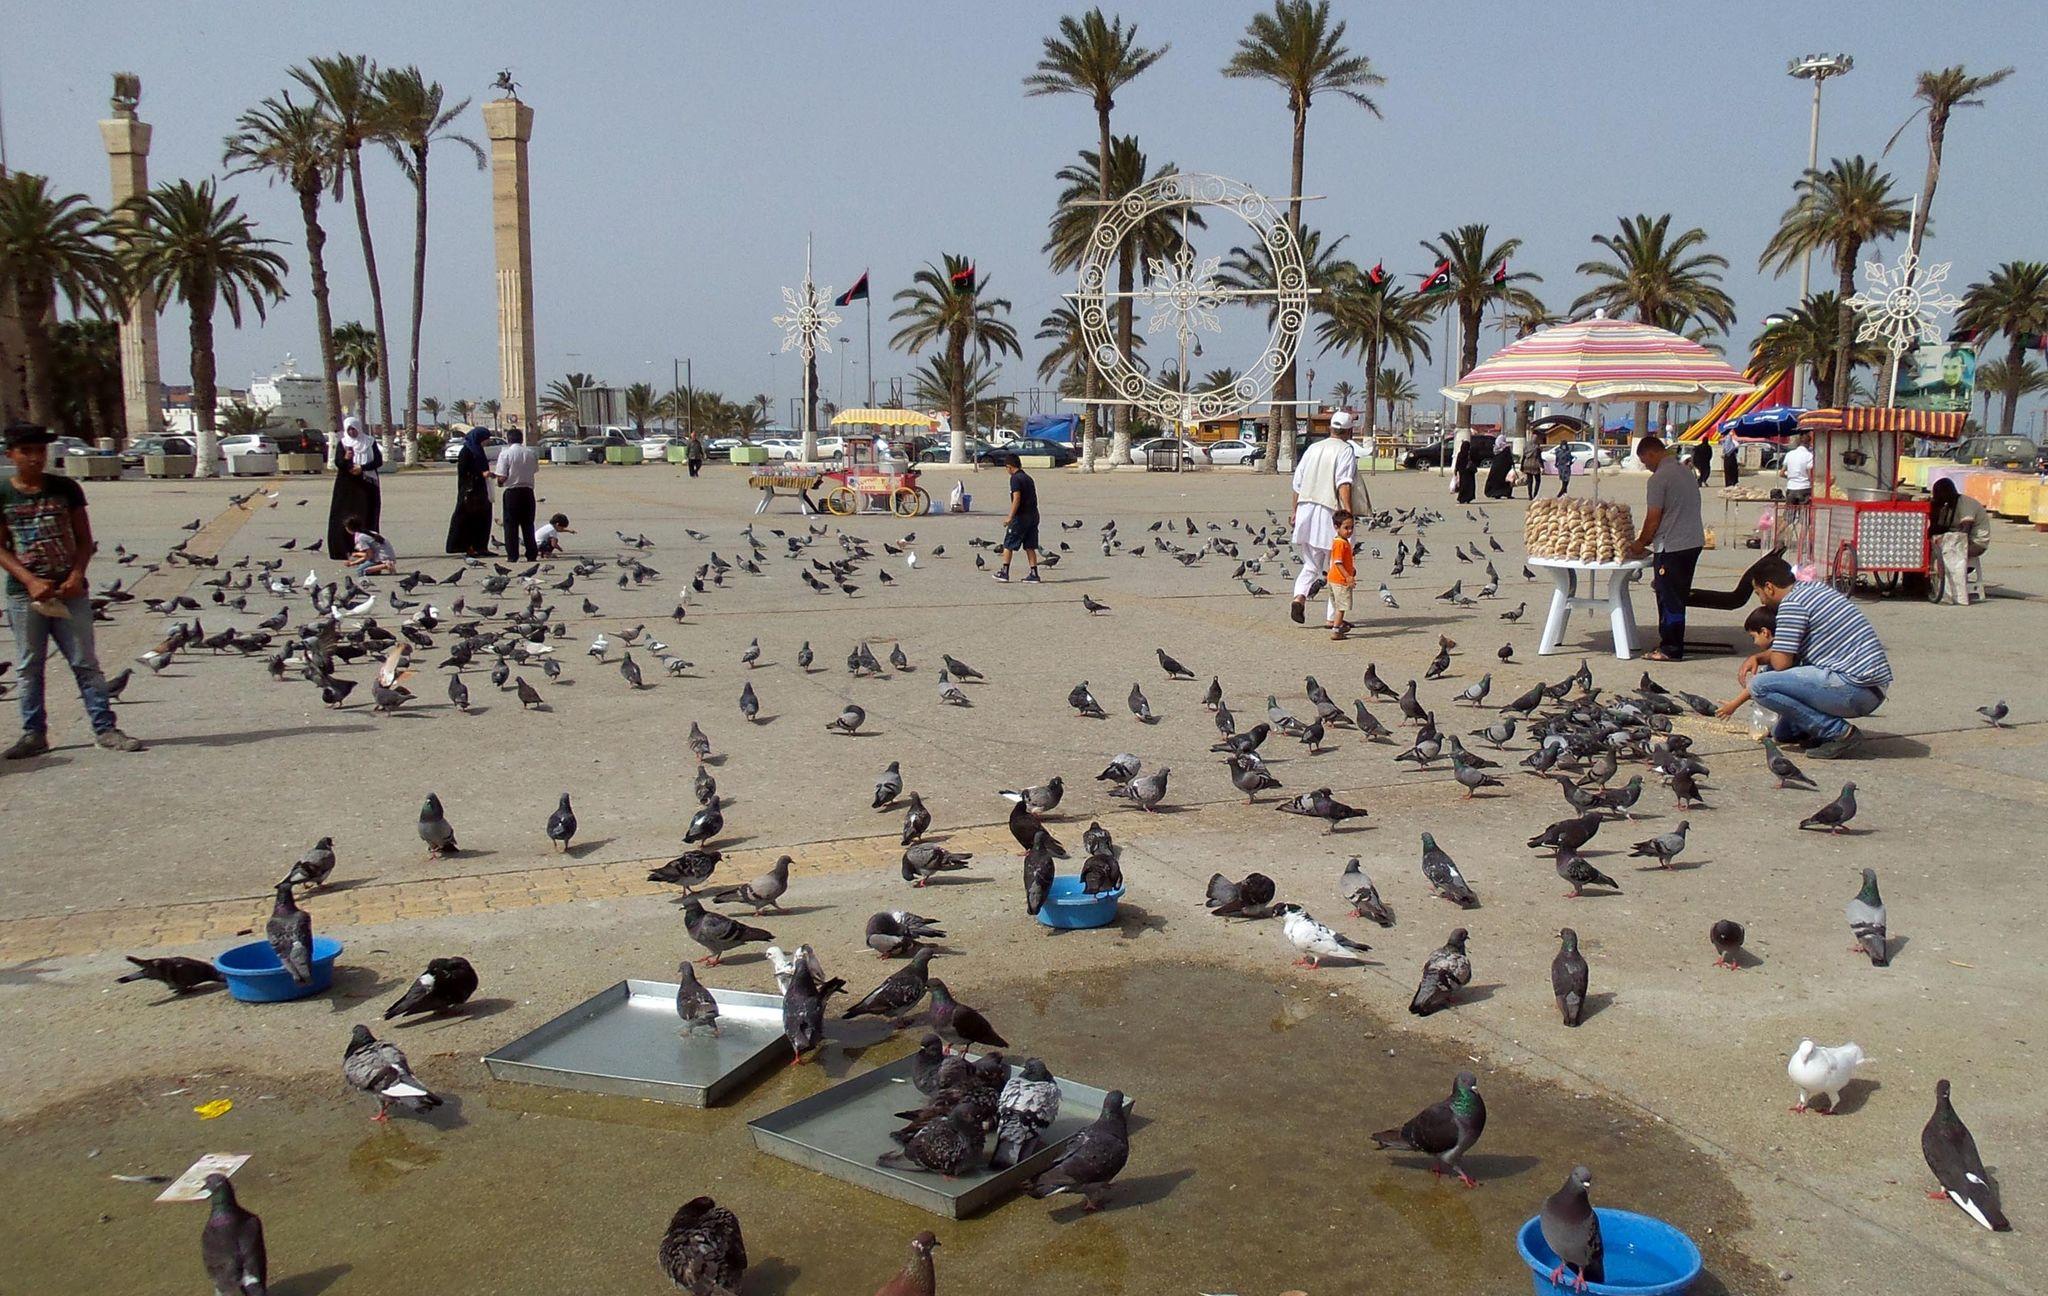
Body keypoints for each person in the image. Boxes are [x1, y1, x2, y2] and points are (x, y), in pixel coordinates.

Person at [0, 422, 142, 757]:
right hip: (25, 595)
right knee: (29, 666)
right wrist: (30, 581)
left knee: (85, 662)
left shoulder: (66, 489)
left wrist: (77, 575)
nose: (35, 458)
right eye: (26, 451)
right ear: (10, 454)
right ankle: (33, 733)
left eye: (40, 451)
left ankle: (105, 728)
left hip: (70, 591)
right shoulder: (3, 493)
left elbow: (84, 540)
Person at [1721, 554, 1890, 758]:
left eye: (1759, 593)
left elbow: (1781, 663)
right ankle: (1814, 730)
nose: (1762, 601)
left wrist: (1762, 658)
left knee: (1760, 685)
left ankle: (1840, 733)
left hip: (1855, 689)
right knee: (1784, 733)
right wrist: (1759, 657)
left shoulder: (1791, 605)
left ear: (1769, 587)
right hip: (1870, 687)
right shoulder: (1814, 589)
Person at [1626, 436, 1707, 662]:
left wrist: (1640, 543)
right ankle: (1671, 641)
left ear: (1651, 453)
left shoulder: (1659, 479)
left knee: (1669, 597)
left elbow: (1653, 517)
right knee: (1677, 595)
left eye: (1645, 461)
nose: (1646, 466)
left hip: (1673, 545)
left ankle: (1671, 648)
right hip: (1692, 542)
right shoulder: (1685, 471)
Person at [1286, 408, 1358, 624]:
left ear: (1330, 428)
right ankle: (1332, 619)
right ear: (1350, 431)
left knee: (1311, 564)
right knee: (1337, 565)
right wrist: (1348, 514)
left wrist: (1295, 511)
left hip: (1306, 510)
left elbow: (1297, 483)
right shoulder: (1345, 450)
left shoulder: (1313, 448)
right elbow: (1343, 483)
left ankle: (1299, 597)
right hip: (1329, 513)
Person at [326, 415, 382, 556]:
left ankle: (368, 548)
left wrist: (362, 468)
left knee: (367, 515)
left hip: (367, 485)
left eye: (354, 429)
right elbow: (338, 463)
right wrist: (346, 459)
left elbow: (378, 461)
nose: (352, 432)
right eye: (349, 429)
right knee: (344, 516)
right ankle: (344, 549)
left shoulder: (369, 442)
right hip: (347, 486)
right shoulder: (343, 443)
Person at [444, 426, 495, 557]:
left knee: (483, 519)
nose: (487, 441)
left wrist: (488, 475)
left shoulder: (478, 450)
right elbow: (463, 471)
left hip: (481, 491)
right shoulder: (466, 451)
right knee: (468, 520)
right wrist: (480, 474)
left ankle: (481, 547)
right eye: (485, 439)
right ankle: (468, 547)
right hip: (469, 492)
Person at [992, 454, 1041, 583]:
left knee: (1008, 544)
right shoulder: (1028, 478)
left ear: (1009, 467)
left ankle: (1004, 572)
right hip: (1033, 515)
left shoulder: (1015, 478)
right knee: (1030, 545)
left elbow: (1017, 498)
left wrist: (1010, 516)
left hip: (1021, 517)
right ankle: (1034, 573)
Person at [493, 428, 539, 562]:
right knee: (528, 525)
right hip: (528, 491)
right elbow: (534, 470)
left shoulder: (505, 454)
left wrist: (499, 482)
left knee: (511, 526)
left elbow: (502, 476)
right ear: (521, 439)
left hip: (512, 492)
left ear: (508, 440)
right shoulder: (531, 453)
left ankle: (513, 555)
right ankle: (531, 553)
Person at [1928, 478, 1991, 560]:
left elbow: (1964, 533)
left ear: (1946, 493)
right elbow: (1938, 528)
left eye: (1938, 496)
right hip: (1960, 539)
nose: (1937, 499)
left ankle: (1955, 568)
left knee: (1941, 549)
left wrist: (1944, 541)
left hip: (1975, 543)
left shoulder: (1966, 504)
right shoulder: (1948, 506)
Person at [1326, 510, 1357, 640]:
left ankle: (1339, 625)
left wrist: (1351, 569)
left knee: (1338, 605)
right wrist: (1348, 576)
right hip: (1339, 581)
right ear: (1336, 527)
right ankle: (1336, 630)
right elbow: (1338, 562)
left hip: (1333, 578)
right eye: (1346, 528)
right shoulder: (1340, 543)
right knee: (1341, 607)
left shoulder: (1341, 541)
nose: (1349, 531)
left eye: (1351, 527)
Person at [1781, 434, 1814, 504]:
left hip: (1791, 487)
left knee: (1790, 510)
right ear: (1809, 443)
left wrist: (1791, 477)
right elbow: (1810, 475)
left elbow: (1781, 473)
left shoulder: (1789, 454)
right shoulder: (1809, 455)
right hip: (1804, 488)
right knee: (1804, 509)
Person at [1451, 436, 1478, 504]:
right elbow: (1475, 461)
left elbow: (1458, 463)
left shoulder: (1460, 454)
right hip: (1469, 473)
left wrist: (1456, 470)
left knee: (1463, 486)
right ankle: (1468, 498)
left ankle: (1462, 498)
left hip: (1462, 473)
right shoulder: (1470, 453)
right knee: (1470, 486)